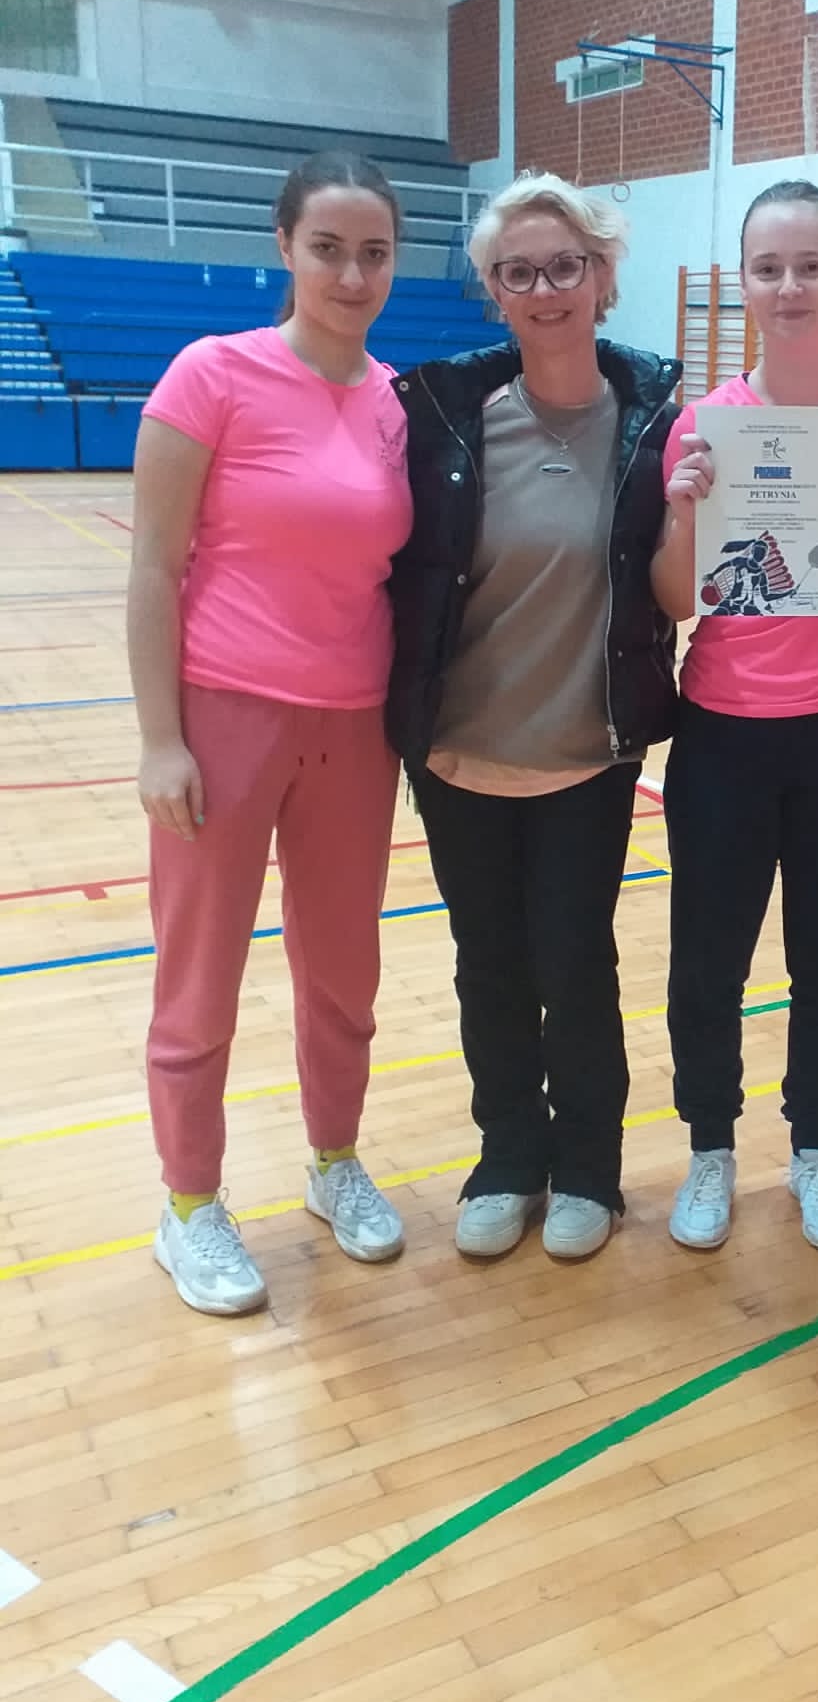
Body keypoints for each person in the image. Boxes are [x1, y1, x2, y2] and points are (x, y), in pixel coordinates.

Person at [129, 152, 412, 1316]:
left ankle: (334, 1160)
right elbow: (155, 567)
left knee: (342, 969)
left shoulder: (397, 400)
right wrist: (162, 739)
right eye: (328, 249)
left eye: (374, 253)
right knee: (201, 974)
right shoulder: (213, 374)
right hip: (224, 714)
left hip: (357, 724)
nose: (351, 275)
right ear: (284, 247)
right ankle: (189, 1202)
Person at [386, 171, 680, 1265]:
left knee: (575, 963)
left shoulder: (659, 424)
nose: (546, 288)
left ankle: (590, 1169)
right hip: (459, 754)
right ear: (495, 292)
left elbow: (691, 577)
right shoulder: (443, 418)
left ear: (603, 277)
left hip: (585, 758)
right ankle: (508, 1156)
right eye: (519, 272)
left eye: (565, 266)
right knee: (489, 966)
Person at [652, 180, 818, 1254]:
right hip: (723, 731)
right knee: (708, 961)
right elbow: (677, 599)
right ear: (745, 284)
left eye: (812, 266)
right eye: (770, 268)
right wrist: (684, 508)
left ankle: (815, 1148)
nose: (791, 286)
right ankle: (710, 1146)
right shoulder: (705, 424)